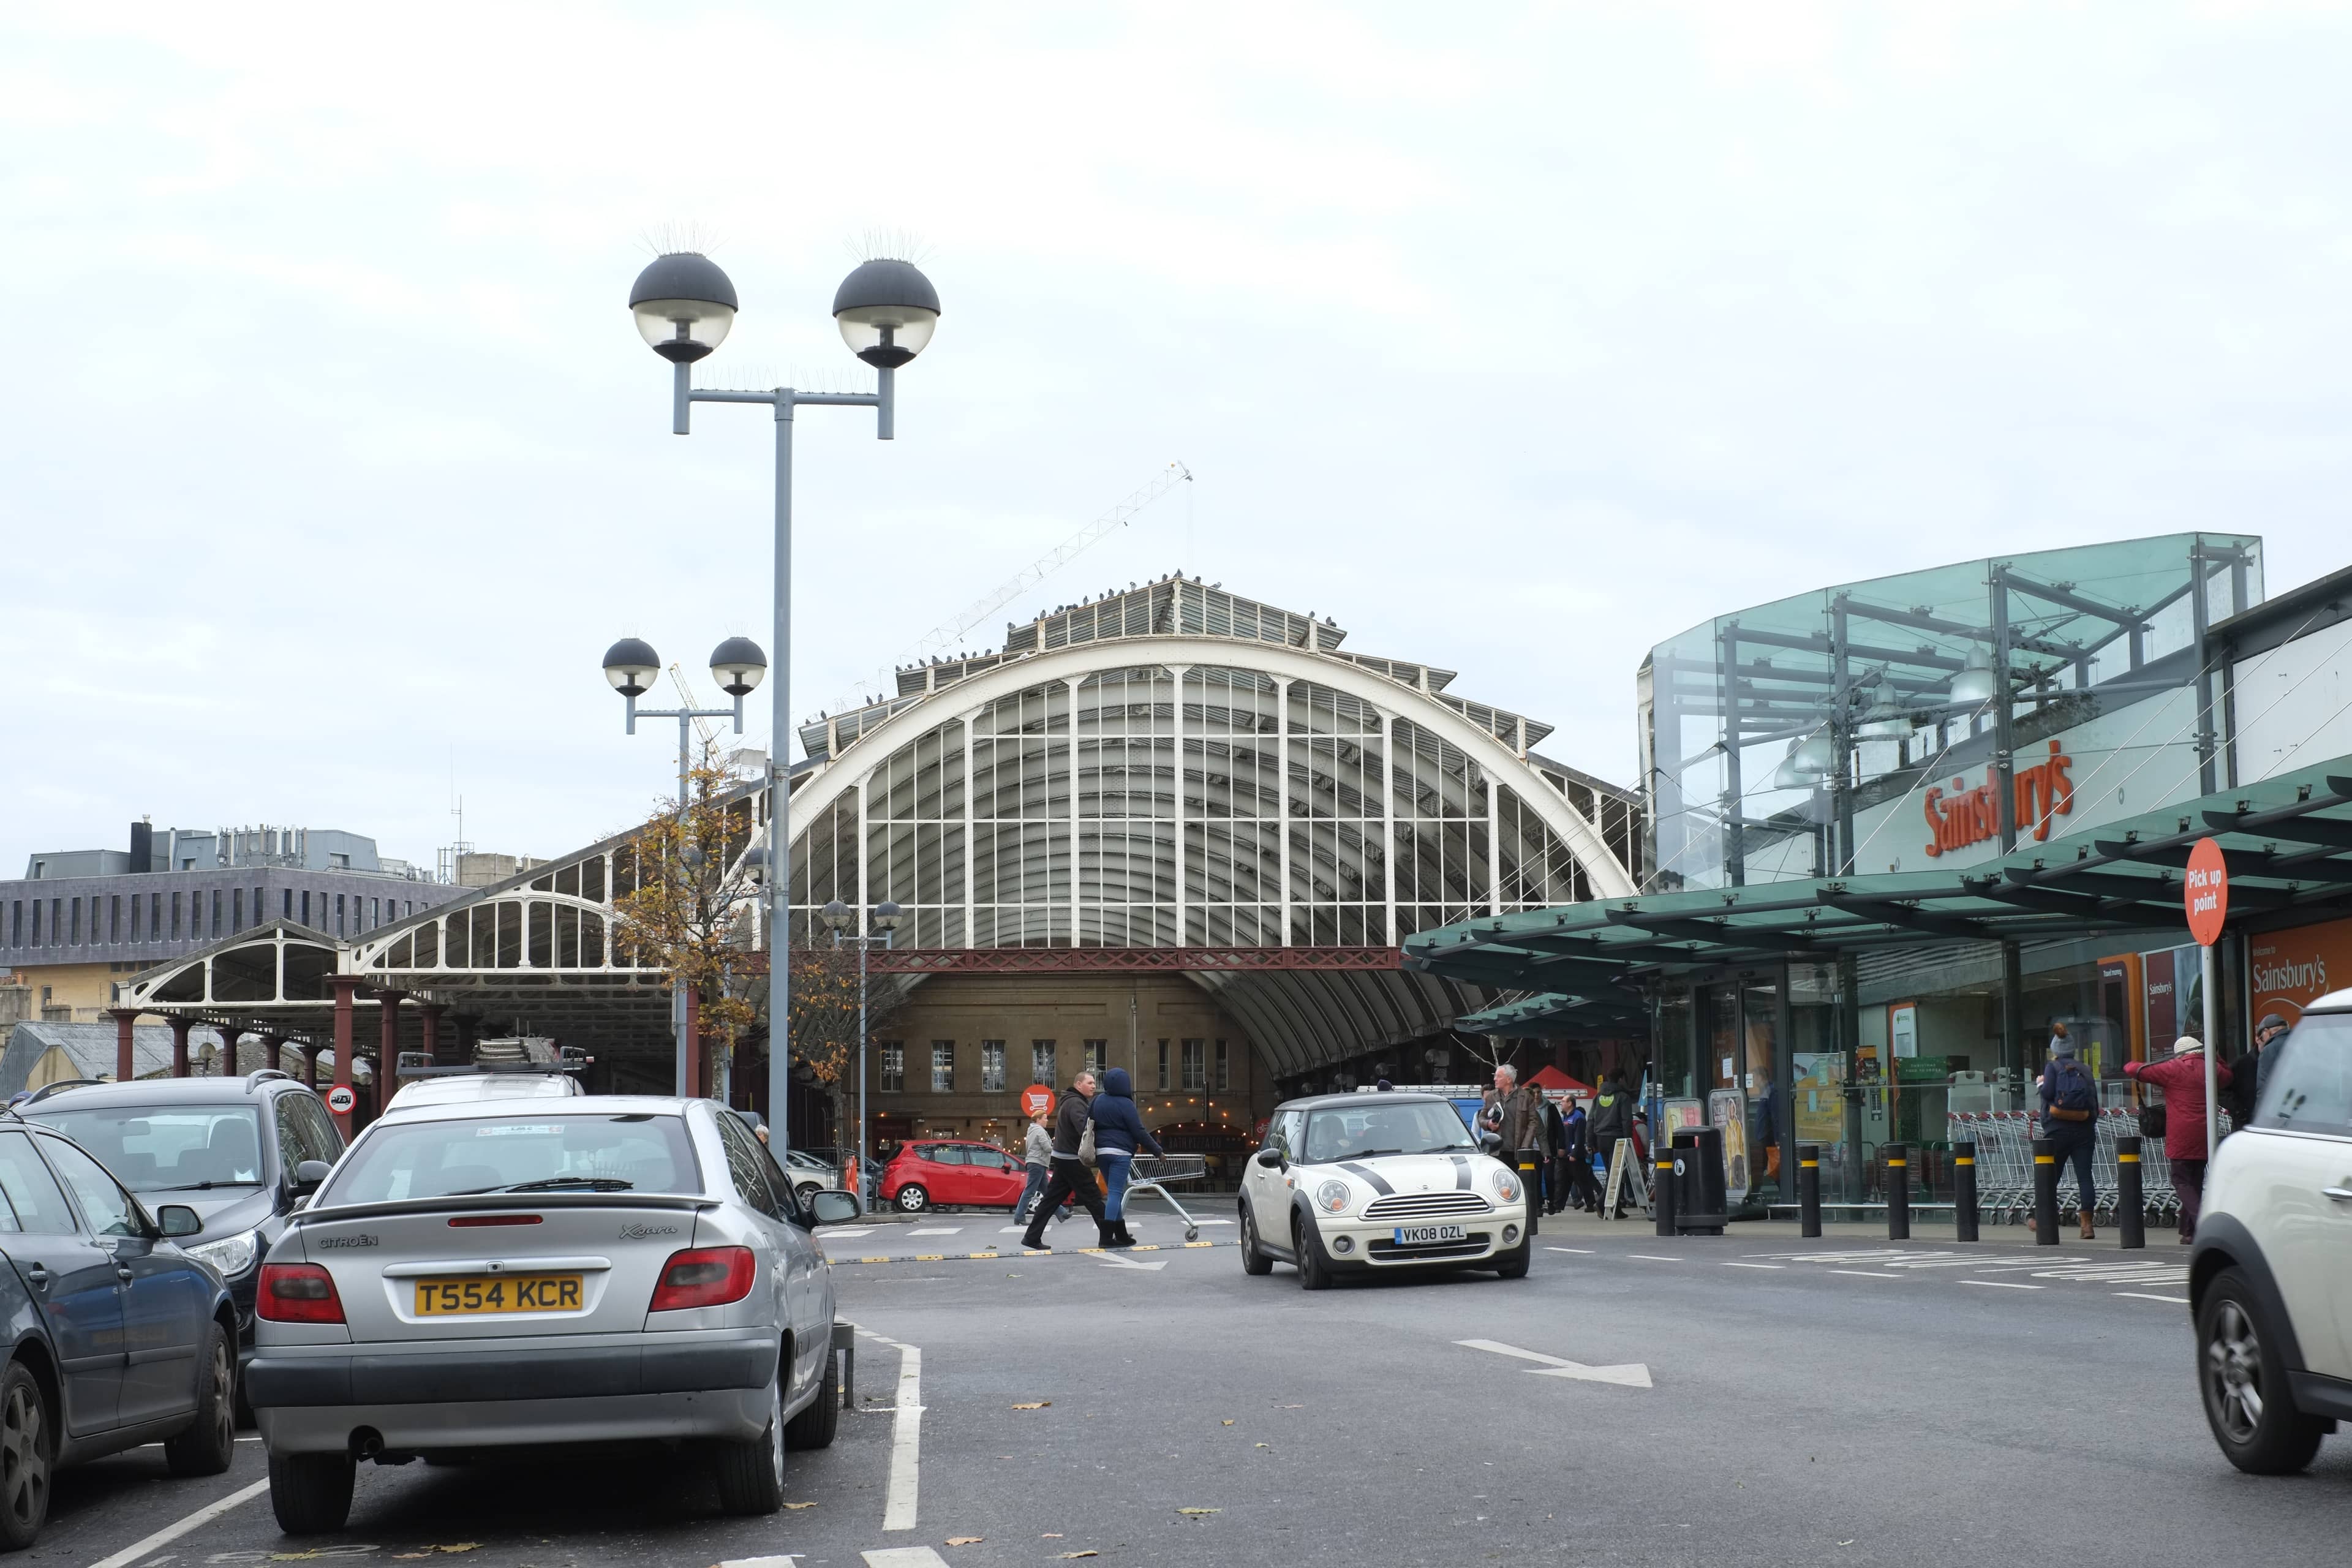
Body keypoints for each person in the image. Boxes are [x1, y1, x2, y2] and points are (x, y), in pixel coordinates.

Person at [2125, 1035, 2232, 1243]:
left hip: (2181, 1134)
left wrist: (2156, 1062)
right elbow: (2228, 1076)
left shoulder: (2172, 1069)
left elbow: (2131, 1069)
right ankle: (2189, 1232)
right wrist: (2215, 1056)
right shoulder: (2212, 1069)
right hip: (2206, 1134)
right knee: (2194, 1181)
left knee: (2181, 1180)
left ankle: (2202, 1222)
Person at [1019, 1071, 1112, 1252]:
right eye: (1090, 1082)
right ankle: (1110, 1236)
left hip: (1064, 1158)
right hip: (1072, 1159)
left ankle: (1031, 1237)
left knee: (1051, 1200)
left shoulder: (1072, 1102)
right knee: (1093, 1197)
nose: (1094, 1086)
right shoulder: (1076, 1103)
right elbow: (1084, 1130)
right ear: (1079, 1085)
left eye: (1094, 1083)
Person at [2034, 1028, 2100, 1239]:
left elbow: (2048, 1093)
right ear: (2073, 1049)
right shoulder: (2085, 1069)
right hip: (2084, 1130)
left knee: (2050, 1176)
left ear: (2055, 1049)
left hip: (2057, 1129)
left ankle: (2044, 1219)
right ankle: (2087, 1225)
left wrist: (2041, 1083)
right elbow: (2093, 1101)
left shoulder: (2053, 1067)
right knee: (2084, 1177)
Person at [1088, 1066, 1164, 1248]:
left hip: (1101, 1152)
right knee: (1115, 1193)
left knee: (1114, 1192)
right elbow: (1139, 1131)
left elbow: (1088, 1124)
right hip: (1120, 1153)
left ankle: (1121, 1235)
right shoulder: (1126, 1104)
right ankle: (1106, 1238)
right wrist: (1157, 1151)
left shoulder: (1097, 1101)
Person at [2223, 1014, 2290, 1130]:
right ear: (2258, 1038)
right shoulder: (2242, 1064)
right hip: (2247, 1124)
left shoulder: (2283, 1055)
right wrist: (2239, 1111)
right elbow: (2223, 1089)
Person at [1588, 1068, 1635, 1218]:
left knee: (1612, 1173)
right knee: (1616, 1174)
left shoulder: (1599, 1097)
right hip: (1617, 1137)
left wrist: (1590, 1141)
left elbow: (1591, 1120)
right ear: (1621, 1079)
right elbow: (1627, 1121)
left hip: (1601, 1138)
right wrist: (1629, 1140)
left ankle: (1617, 1207)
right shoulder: (1623, 1097)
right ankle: (1601, 1203)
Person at [1013, 1104, 1068, 1227]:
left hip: (1036, 1163)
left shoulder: (1031, 1131)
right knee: (1030, 1191)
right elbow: (1048, 1148)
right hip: (1038, 1163)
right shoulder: (1040, 1131)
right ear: (1038, 1120)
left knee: (1047, 1192)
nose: (1047, 1120)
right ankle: (1019, 1216)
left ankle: (1062, 1213)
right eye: (1045, 1118)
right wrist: (1058, 1148)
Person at [1540, 1094, 1571, 1215]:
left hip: (1550, 1149)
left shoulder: (1550, 1108)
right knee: (1537, 1179)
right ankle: (1539, 1204)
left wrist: (1562, 1146)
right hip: (1533, 1149)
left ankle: (1553, 1202)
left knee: (1550, 1177)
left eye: (1563, 1101)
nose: (1536, 1095)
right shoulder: (1528, 1108)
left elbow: (1559, 1129)